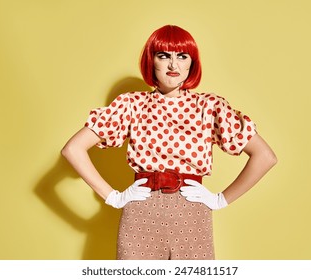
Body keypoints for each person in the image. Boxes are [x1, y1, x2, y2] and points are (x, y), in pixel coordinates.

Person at [61, 25, 277, 260]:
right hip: (141, 216)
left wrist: (220, 200)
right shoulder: (131, 104)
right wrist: (114, 197)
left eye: (182, 56)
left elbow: (265, 157)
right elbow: (73, 149)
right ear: (151, 61)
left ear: (191, 63)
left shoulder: (210, 107)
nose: (174, 65)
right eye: (164, 56)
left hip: (192, 216)